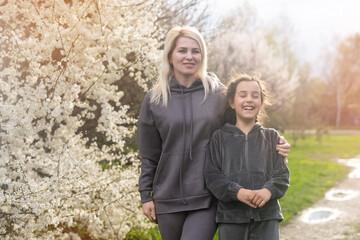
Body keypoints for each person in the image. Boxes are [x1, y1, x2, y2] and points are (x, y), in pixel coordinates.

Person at [137, 26, 290, 240]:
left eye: (195, 51)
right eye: (182, 50)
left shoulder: (216, 93)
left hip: (207, 195)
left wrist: (275, 142)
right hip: (167, 198)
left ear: (202, 55)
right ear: (170, 56)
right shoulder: (154, 99)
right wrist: (146, 195)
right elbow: (149, 155)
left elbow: (242, 128)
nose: (189, 56)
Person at [204, 72, 290, 240]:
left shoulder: (272, 137)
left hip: (267, 218)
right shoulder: (219, 138)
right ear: (232, 102)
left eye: (255, 96)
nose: (249, 99)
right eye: (242, 95)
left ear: (261, 102)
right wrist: (238, 192)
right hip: (231, 219)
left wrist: (268, 191)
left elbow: (282, 175)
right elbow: (213, 177)